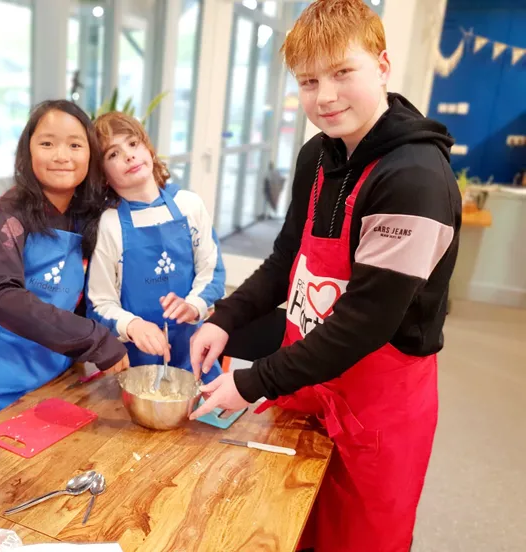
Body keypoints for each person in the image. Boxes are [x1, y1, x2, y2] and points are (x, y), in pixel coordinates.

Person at [190, 1, 461, 550]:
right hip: (308, 378)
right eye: (309, 81)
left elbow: (365, 323)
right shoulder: (318, 154)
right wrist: (226, 317)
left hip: (378, 403)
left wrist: (252, 381)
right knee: (285, 523)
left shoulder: (415, 180)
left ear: (382, 66)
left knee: (357, 537)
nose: (326, 96)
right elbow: (287, 258)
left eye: (343, 73)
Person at [0, 100, 129, 438]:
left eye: (74, 144)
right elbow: (5, 297)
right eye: (47, 143)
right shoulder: (10, 211)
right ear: (28, 150)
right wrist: (95, 340)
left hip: (51, 362)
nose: (61, 155)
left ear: (91, 155)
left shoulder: (91, 212)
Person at [87, 111, 225, 383]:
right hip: (135, 366)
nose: (128, 155)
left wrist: (194, 305)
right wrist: (133, 325)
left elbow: (213, 272)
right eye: (113, 154)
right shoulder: (109, 224)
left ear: (148, 148)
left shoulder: (189, 205)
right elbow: (99, 304)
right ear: (102, 175)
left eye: (133, 144)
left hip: (195, 355)